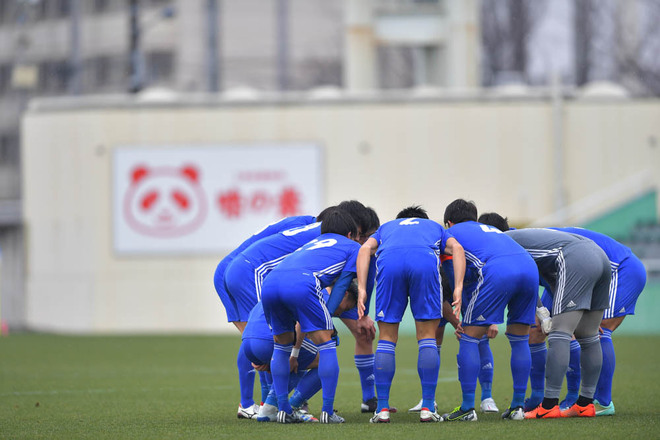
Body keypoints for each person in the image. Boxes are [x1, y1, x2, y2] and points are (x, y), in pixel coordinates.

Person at [479, 219, 611, 419]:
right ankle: (585, 404)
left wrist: (542, 312)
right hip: (600, 257)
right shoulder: (524, 238)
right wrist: (542, 310)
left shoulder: (500, 242)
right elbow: (539, 278)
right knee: (589, 336)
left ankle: (549, 405)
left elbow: (518, 281)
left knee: (559, 334)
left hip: (576, 258)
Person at [356, 205, 466, 423]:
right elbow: (458, 249)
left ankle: (383, 409)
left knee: (386, 338)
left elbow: (364, 250)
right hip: (424, 262)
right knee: (427, 337)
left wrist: (361, 288)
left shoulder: (387, 228)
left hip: (390, 264)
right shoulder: (434, 227)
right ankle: (427, 407)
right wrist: (458, 287)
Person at [438, 199, 538, 422]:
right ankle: (518, 408)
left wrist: (465, 321)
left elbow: (456, 277)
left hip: (498, 271)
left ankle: (466, 408)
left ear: (448, 223)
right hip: (529, 268)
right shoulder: (492, 230)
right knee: (520, 339)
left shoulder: (448, 234)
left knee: (469, 338)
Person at [261, 208, 363, 424]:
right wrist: (328, 313)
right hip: (303, 283)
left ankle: (283, 409)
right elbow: (343, 283)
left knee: (281, 345)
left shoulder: (310, 244)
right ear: (350, 234)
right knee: (326, 343)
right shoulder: (354, 247)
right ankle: (327, 411)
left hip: (270, 283)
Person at [212, 214, 317, 419]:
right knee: (268, 334)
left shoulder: (303, 223)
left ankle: (252, 403)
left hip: (230, 268)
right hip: (247, 271)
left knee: (254, 335)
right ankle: (266, 403)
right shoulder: (314, 231)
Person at [544, 227, 646, 416]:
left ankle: (603, 402)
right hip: (586, 272)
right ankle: (573, 397)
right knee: (559, 329)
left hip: (621, 270)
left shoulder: (529, 245)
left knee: (599, 330)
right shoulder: (532, 243)